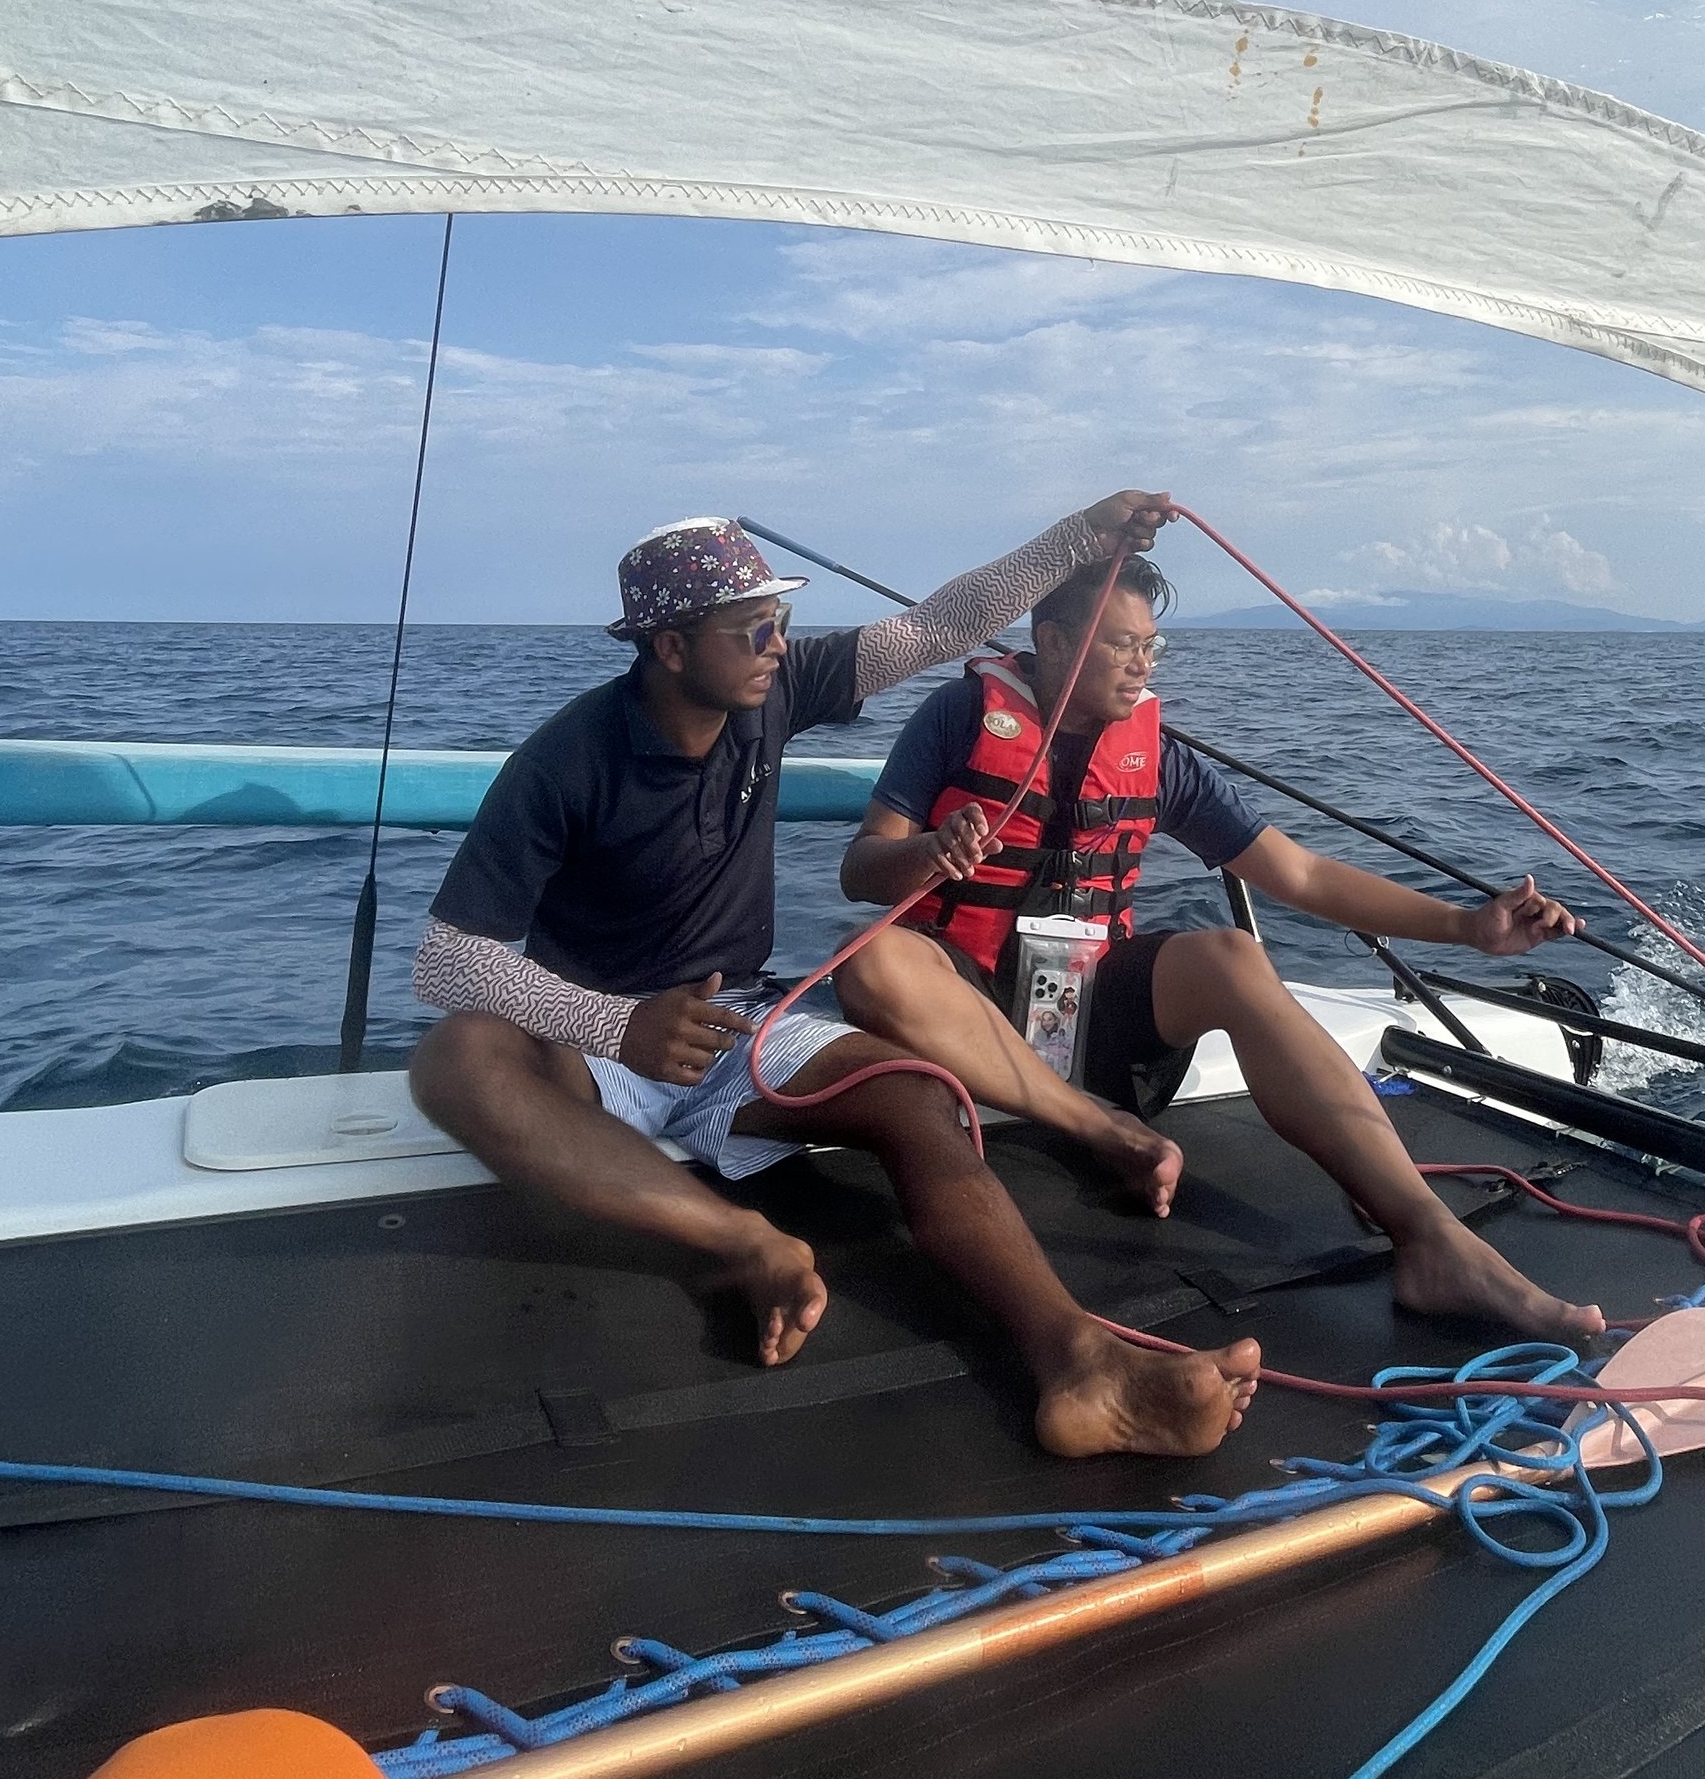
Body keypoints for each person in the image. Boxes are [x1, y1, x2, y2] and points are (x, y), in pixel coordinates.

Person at [408, 502, 1263, 1459]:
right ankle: (744, 1242)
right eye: (752, 629)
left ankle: (1080, 1363)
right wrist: (618, 1025)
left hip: (737, 1024)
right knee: (455, 1059)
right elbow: (449, 957)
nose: (778, 643)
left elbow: (939, 625)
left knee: (910, 1093)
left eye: (779, 620)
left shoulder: (772, 693)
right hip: (596, 1043)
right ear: (672, 647)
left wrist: (1083, 535)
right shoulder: (566, 760)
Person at [834, 547, 1605, 1346]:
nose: (1143, 664)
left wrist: (1469, 926)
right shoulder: (959, 717)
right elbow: (862, 870)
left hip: (1090, 1017)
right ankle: (1100, 1128)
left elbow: (1299, 873)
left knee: (1232, 955)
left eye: (1151, 645)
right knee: (872, 958)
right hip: (970, 1006)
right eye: (1122, 644)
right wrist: (928, 851)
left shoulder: (1157, 755)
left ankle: (1432, 1239)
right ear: (1054, 640)